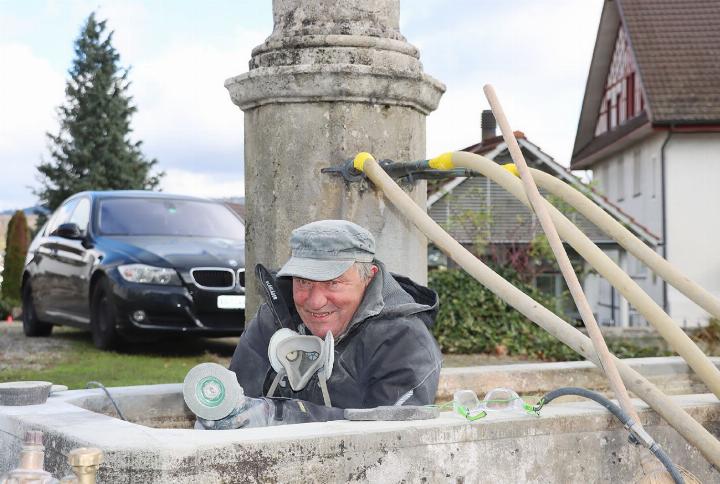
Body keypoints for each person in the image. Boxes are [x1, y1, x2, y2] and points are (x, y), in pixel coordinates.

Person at [198, 219, 442, 429]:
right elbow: (238, 398)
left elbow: (393, 436)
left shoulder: (404, 339)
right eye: (303, 282)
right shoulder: (273, 320)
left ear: (368, 277)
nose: (314, 302)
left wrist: (281, 416)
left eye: (333, 283)